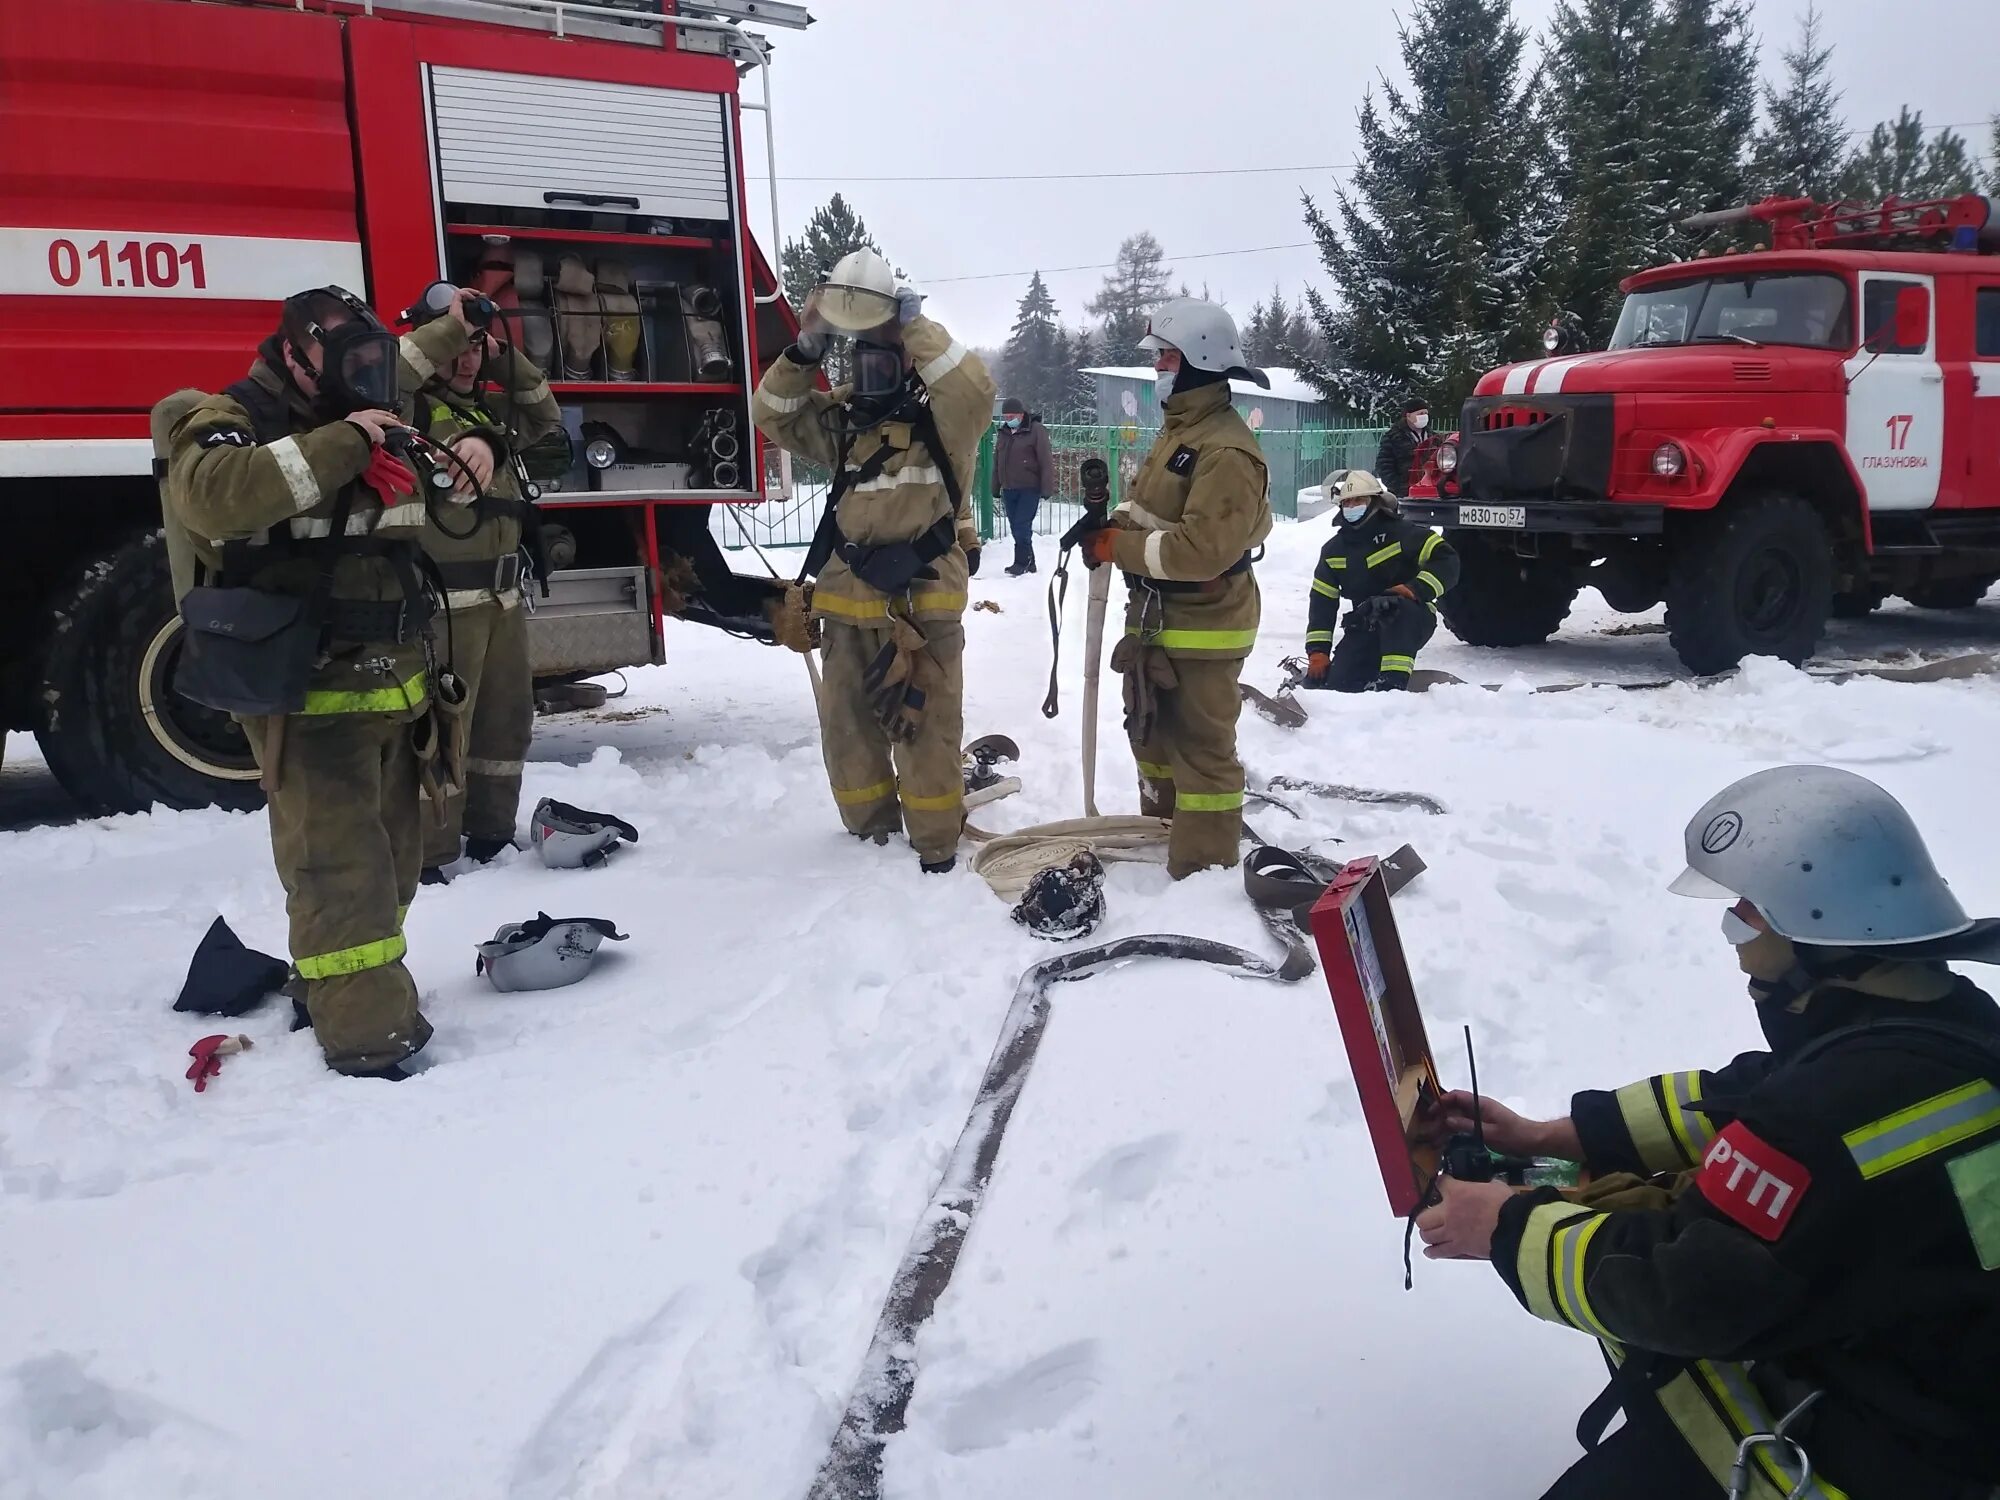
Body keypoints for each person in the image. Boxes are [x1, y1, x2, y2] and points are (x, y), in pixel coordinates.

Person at [1414, 765, 2000, 1500]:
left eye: (1745, 918)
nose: (1734, 946)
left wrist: (1505, 1226)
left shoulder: (1821, 1113)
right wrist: (1553, 1136)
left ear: (1816, 931)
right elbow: (1744, 1095)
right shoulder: (1951, 1029)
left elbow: (1680, 1294)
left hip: (1909, 1452)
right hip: (1948, 1361)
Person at [159, 286, 480, 1080]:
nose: (366, 375)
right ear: (296, 354)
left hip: (395, 694)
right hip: (311, 700)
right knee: (342, 875)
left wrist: (466, 375)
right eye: (344, 359)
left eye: (369, 359)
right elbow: (214, 496)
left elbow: (416, 378)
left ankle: (333, 989)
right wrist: (344, 442)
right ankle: (370, 1041)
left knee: (394, 865)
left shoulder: (371, 402)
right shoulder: (236, 417)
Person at [751, 248, 994, 873]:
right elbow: (770, 415)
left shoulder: (944, 417)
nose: (871, 357)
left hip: (921, 599)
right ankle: (869, 840)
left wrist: (912, 322)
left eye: (882, 343)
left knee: (927, 730)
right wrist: (806, 345)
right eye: (859, 345)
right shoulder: (842, 416)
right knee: (848, 731)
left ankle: (936, 846)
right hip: (845, 597)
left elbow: (973, 388)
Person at [1077, 297, 1271, 879]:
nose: (1158, 367)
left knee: (1202, 753)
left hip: (1205, 624)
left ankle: (1204, 870)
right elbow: (1152, 510)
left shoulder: (1226, 450)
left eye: (1165, 356)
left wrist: (1121, 549)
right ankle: (1161, 836)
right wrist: (1110, 523)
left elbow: (1201, 549)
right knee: (1153, 739)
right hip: (1161, 619)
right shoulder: (1181, 432)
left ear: (1197, 359)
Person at [402, 288, 564, 884]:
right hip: (443, 608)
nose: (465, 359)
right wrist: (447, 331)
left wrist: (500, 356)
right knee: (443, 732)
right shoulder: (407, 410)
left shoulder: (487, 418)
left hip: (501, 602)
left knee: (504, 724)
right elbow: (392, 372)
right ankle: (431, 856)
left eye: (474, 348)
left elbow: (545, 416)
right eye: (454, 347)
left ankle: (492, 832)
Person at [1301, 470, 1457, 692]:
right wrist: (1317, 652)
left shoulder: (1403, 534)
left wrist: (1414, 589)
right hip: (1366, 621)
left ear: (1375, 502)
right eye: (1347, 502)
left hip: (1410, 617)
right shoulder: (1334, 551)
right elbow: (1321, 603)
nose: (1352, 506)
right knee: (1339, 684)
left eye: (1359, 500)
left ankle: (1393, 683)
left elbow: (1447, 560)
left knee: (1396, 609)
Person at [991, 396, 1054, 575]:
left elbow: (1046, 461)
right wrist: (995, 485)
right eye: (1006, 417)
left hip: (1029, 487)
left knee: (1021, 525)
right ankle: (1030, 562)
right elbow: (998, 461)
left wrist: (1046, 487)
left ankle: (1021, 563)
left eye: (1012, 416)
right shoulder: (1003, 433)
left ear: (1021, 414)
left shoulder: (1035, 431)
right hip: (1009, 488)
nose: (1009, 420)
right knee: (1017, 527)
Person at [1373, 397, 1429, 492]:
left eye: (1426, 413)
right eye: (1420, 413)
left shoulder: (1433, 436)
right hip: (1404, 494)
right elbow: (1384, 465)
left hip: (1430, 490)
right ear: (1408, 415)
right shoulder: (1393, 437)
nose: (1424, 416)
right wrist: (1399, 487)